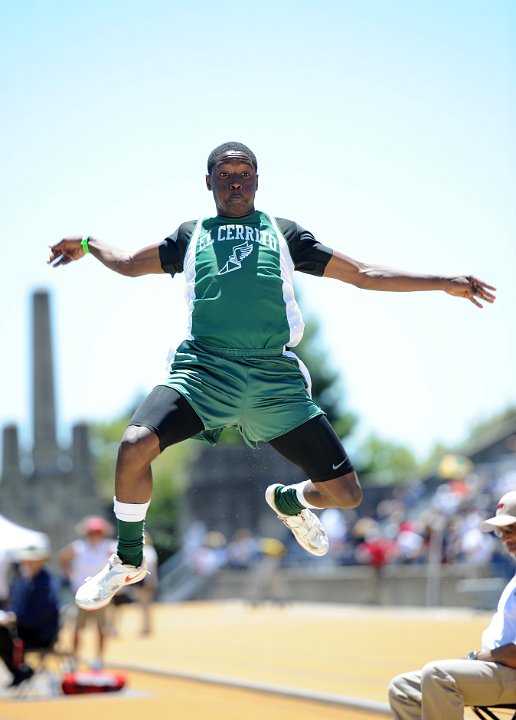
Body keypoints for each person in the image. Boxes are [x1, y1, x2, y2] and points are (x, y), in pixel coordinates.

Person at [47, 141, 496, 612]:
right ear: (209, 183)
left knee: (346, 494)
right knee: (134, 444)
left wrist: (442, 281)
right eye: (225, 176)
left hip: (272, 380)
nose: (236, 183)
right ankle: (129, 558)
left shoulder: (284, 234)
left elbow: (363, 273)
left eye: (244, 175)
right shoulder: (191, 234)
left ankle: (289, 499)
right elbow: (125, 262)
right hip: (206, 370)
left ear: (258, 181)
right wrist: (84, 244)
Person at [388, 490, 516, 720]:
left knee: (438, 675)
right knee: (403, 688)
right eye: (501, 531)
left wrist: (476, 657)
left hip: (510, 671)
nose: (506, 537)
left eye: (512, 528)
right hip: (500, 669)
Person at [58, 516, 116, 667]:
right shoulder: (79, 547)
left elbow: (118, 561)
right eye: (92, 532)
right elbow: (63, 558)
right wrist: (70, 575)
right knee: (78, 628)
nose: (95, 535)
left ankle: (99, 659)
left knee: (101, 628)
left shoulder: (107, 547)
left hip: (100, 593)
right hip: (81, 593)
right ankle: (74, 658)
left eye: (97, 532)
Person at [0, 546, 60, 687]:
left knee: (2, 636)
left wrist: (17, 619)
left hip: (41, 634)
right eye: (26, 561)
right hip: (26, 628)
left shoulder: (46, 582)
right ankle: (19, 670)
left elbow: (43, 613)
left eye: (31, 561)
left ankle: (20, 671)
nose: (27, 564)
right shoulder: (25, 581)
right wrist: (10, 615)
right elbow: (17, 605)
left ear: (40, 562)